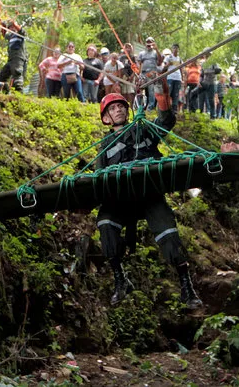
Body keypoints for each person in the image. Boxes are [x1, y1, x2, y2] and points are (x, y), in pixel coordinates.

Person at [96, 92, 203, 309]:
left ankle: (186, 287)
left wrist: (160, 90)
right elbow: (99, 179)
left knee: (168, 232)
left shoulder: (144, 130)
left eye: (121, 106)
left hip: (150, 195)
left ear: (128, 111)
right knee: (105, 223)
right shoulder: (105, 146)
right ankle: (120, 280)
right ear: (106, 118)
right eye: (113, 108)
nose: (118, 110)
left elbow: (166, 120)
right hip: (120, 199)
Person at [0, 20, 27, 91]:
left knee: (17, 74)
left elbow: (21, 30)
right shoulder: (10, 36)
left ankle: (19, 93)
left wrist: (14, 23)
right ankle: (5, 90)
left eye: (13, 27)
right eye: (10, 28)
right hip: (10, 59)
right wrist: (3, 26)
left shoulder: (20, 34)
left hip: (18, 58)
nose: (11, 29)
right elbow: (4, 34)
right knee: (2, 76)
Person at [137, 37, 163, 110]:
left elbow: (160, 61)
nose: (149, 44)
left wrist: (156, 49)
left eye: (150, 42)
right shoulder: (142, 53)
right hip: (143, 73)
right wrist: (138, 74)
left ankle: (150, 107)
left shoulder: (155, 52)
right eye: (147, 42)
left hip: (152, 73)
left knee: (151, 90)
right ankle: (140, 106)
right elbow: (138, 63)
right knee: (140, 89)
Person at [198, 52, 221, 118]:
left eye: (208, 54)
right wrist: (199, 82)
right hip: (204, 83)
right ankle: (200, 113)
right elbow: (201, 74)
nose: (206, 55)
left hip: (212, 83)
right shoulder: (203, 63)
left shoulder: (214, 62)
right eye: (205, 54)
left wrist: (210, 71)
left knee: (211, 99)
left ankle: (213, 115)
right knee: (200, 97)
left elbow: (218, 71)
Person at [163, 44, 184, 113]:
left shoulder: (179, 59)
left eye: (177, 48)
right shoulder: (168, 57)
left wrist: (182, 78)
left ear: (178, 50)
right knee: (169, 92)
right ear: (172, 49)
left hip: (178, 78)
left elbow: (181, 69)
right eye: (174, 48)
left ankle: (174, 109)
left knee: (176, 94)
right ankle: (167, 108)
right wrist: (169, 64)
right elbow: (164, 67)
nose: (175, 49)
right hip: (170, 77)